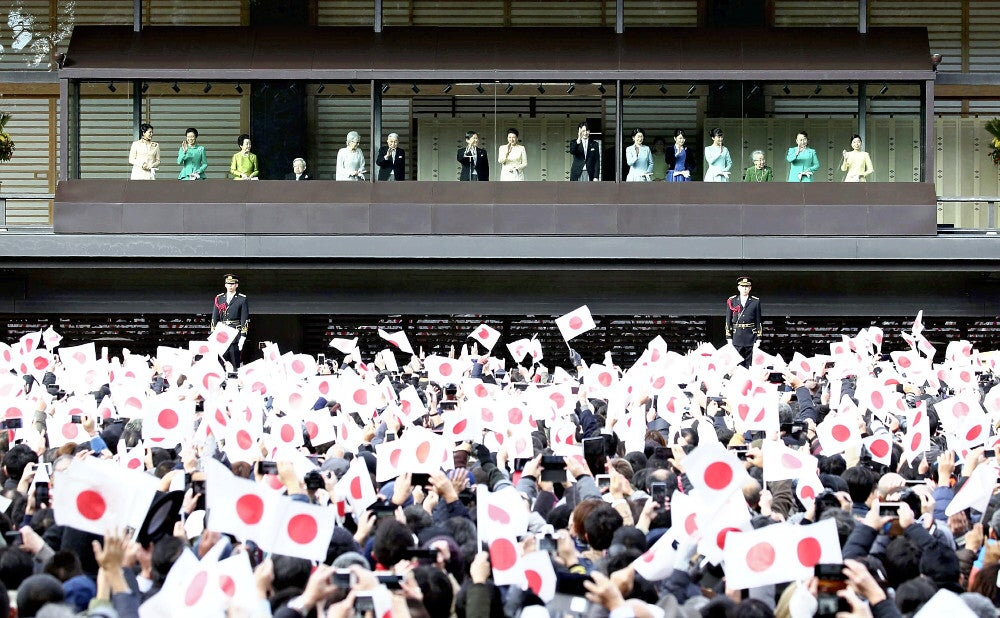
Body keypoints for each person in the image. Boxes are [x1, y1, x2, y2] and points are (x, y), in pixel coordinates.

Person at [210, 273, 250, 369]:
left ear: (236, 285)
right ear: (225, 285)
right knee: (222, 362)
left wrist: (243, 336)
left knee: (235, 362)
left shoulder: (242, 299)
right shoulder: (219, 298)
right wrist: (213, 334)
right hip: (222, 333)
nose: (230, 286)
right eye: (228, 284)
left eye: (232, 284)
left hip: (235, 334)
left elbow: (244, 318)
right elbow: (214, 317)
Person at [725, 276, 761, 368]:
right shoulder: (732, 301)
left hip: (750, 337)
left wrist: (759, 338)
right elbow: (728, 320)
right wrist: (728, 337)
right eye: (742, 286)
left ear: (750, 288)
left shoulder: (755, 301)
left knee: (750, 364)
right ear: (738, 287)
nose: (745, 289)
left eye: (747, 287)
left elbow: (758, 321)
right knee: (737, 364)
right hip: (737, 336)